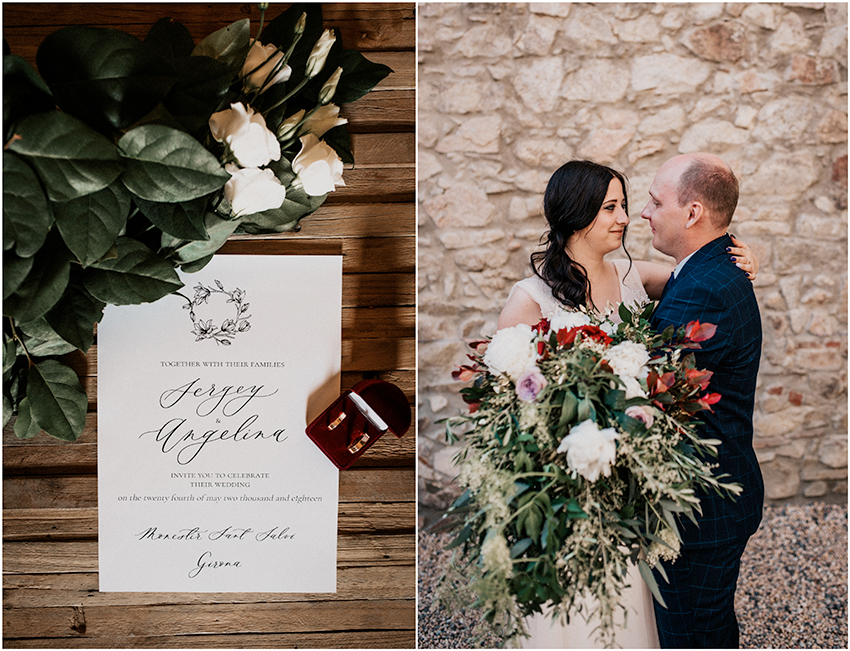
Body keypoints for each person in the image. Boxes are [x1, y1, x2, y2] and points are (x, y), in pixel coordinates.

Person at [497, 159, 759, 649]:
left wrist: (741, 256)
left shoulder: (632, 276)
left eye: (631, 203)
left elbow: (698, 276)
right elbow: (508, 408)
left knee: (645, 616)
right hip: (575, 485)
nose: (628, 217)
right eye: (611, 208)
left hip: (633, 490)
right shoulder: (531, 300)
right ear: (575, 216)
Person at [643, 153, 763, 648]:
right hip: (722, 487)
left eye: (655, 201)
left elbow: (652, 394)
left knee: (694, 635)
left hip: (705, 507)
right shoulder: (705, 270)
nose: (643, 213)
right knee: (706, 625)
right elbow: (658, 287)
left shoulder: (705, 290)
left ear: (692, 213)